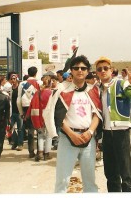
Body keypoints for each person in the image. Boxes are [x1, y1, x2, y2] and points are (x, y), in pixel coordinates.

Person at [43, 55, 102, 193]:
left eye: (83, 68)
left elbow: (97, 114)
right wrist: (71, 134)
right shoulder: (62, 89)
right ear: (71, 71)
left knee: (90, 182)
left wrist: (90, 132)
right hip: (67, 139)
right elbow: (57, 115)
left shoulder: (93, 90)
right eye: (76, 68)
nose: (80, 70)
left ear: (88, 71)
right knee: (62, 181)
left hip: (88, 138)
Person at [94, 56, 131, 192]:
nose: (103, 71)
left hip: (121, 132)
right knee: (110, 172)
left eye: (106, 68)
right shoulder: (98, 89)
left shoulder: (121, 84)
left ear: (111, 70)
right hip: (106, 133)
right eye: (99, 69)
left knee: (125, 171)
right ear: (96, 72)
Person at [17, 66, 41, 158]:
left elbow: (18, 100)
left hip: (26, 107)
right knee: (39, 130)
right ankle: (40, 150)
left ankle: (31, 151)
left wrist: (21, 112)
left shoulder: (22, 84)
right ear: (36, 73)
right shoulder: (40, 83)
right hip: (37, 108)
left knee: (30, 131)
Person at [9, 73, 24, 151]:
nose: (13, 80)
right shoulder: (10, 89)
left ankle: (20, 144)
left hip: (19, 112)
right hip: (12, 112)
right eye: (11, 79)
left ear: (17, 79)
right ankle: (15, 141)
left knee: (20, 129)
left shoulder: (20, 88)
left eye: (14, 79)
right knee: (10, 127)